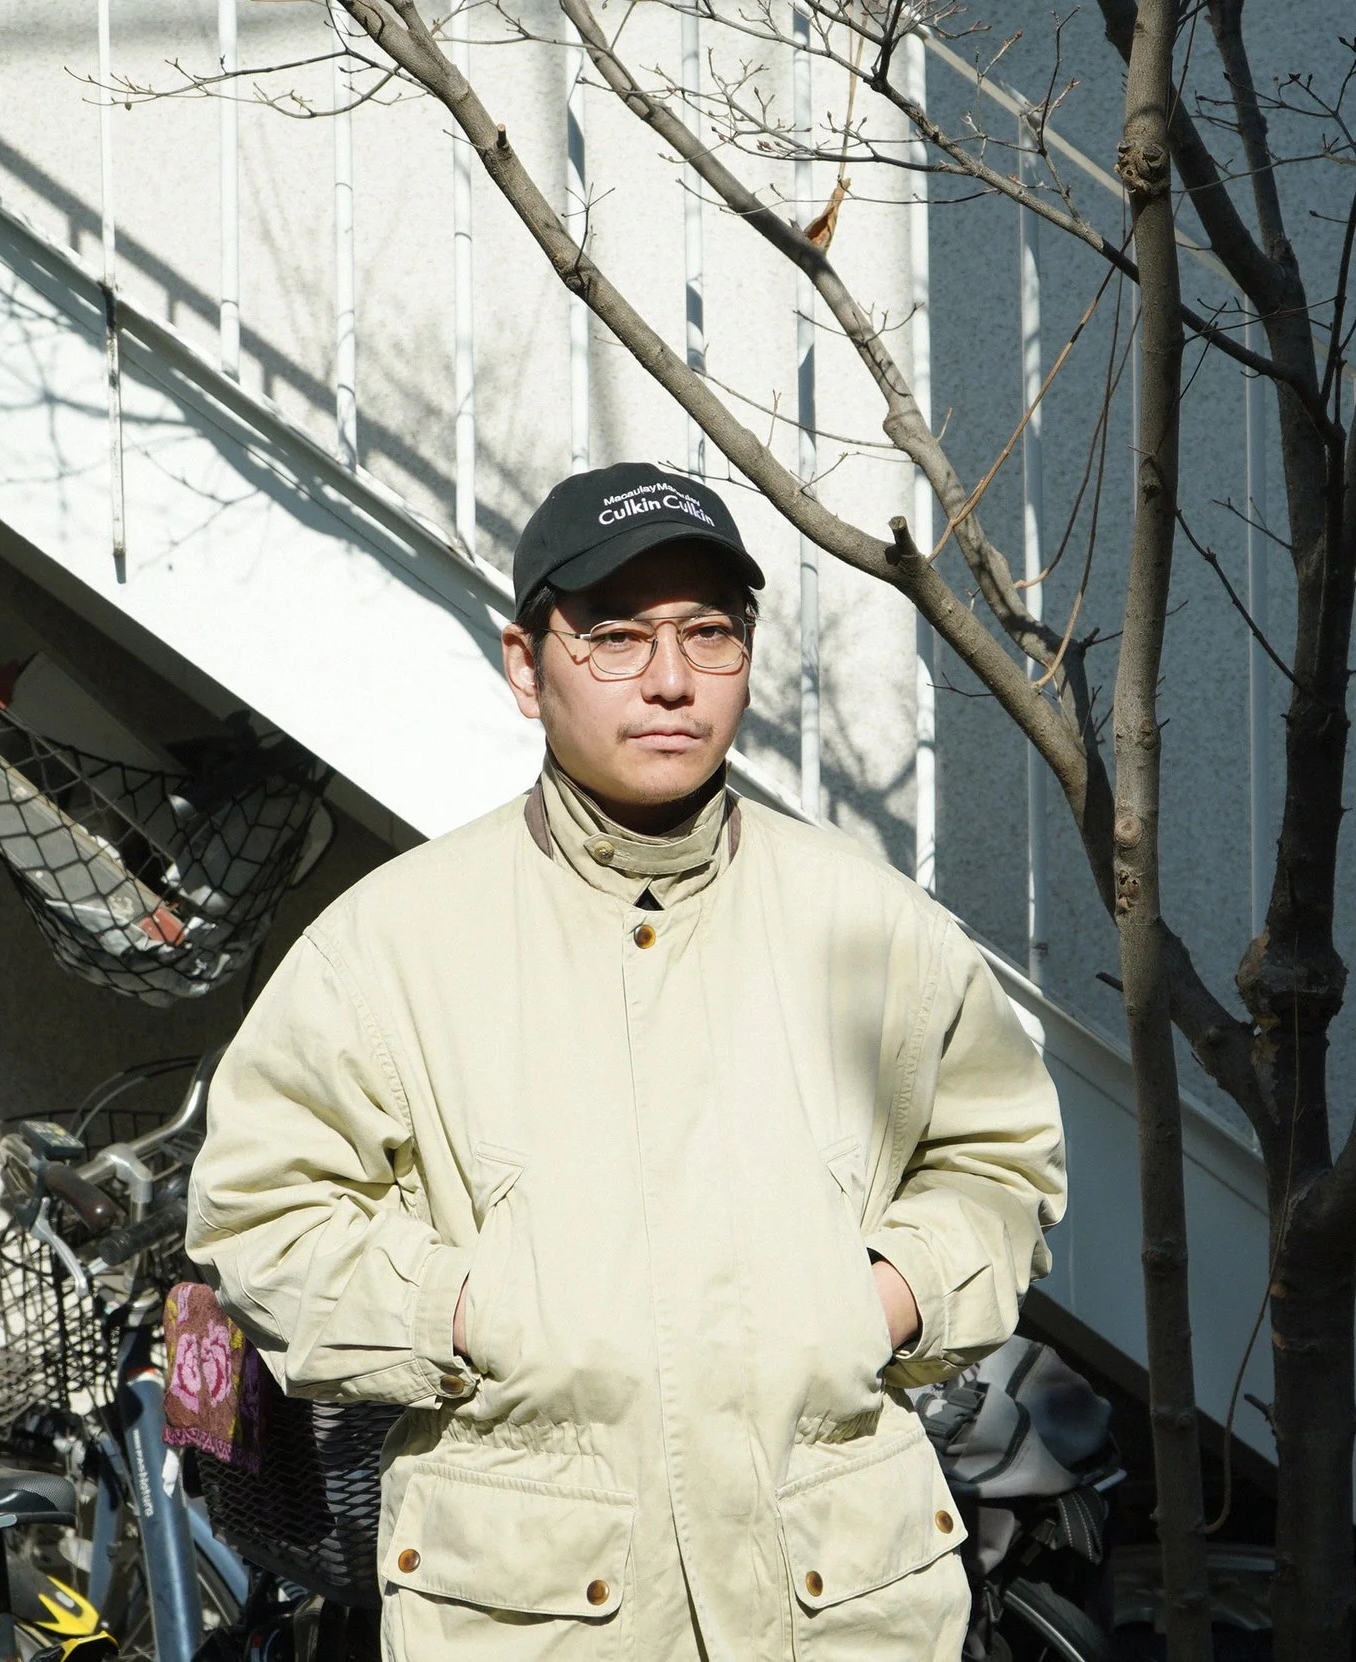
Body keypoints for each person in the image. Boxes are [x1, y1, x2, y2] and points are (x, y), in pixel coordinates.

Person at [186, 461, 1067, 1661]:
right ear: (525, 665)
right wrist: (477, 1314)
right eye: (614, 636)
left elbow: (997, 1159)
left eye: (709, 632)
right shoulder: (388, 947)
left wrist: (878, 1300)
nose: (670, 679)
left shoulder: (871, 927)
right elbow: (264, 1213)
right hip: (536, 1610)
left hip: (841, 1598)